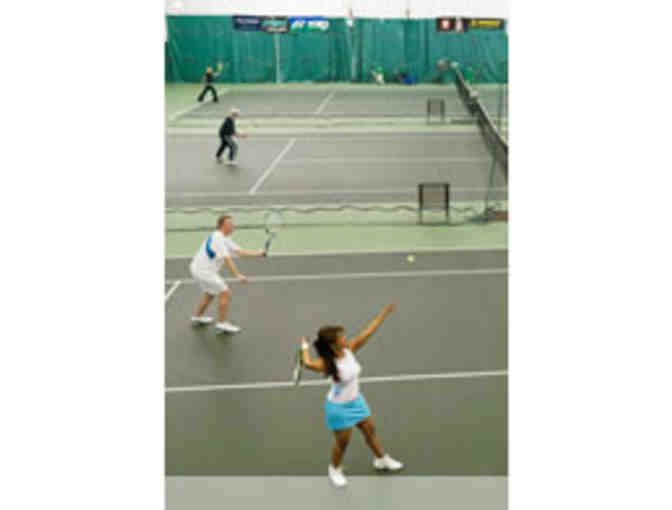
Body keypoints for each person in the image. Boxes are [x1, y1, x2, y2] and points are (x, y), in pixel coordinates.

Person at [299, 303, 404, 487]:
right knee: (343, 443)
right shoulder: (327, 364)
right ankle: (334, 469)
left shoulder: (349, 350)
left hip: (356, 401)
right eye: (341, 337)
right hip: (338, 408)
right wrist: (304, 347)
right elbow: (307, 363)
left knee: (370, 431)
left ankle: (381, 459)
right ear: (333, 344)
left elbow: (368, 332)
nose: (345, 338)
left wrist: (383, 315)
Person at [189, 215, 265, 333]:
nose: (233, 226)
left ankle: (197, 316)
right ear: (222, 226)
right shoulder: (218, 238)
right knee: (225, 292)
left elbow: (240, 252)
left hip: (199, 269)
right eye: (230, 224)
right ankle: (222, 323)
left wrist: (258, 254)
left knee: (210, 293)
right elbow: (227, 259)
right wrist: (238, 275)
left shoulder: (224, 238)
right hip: (203, 271)